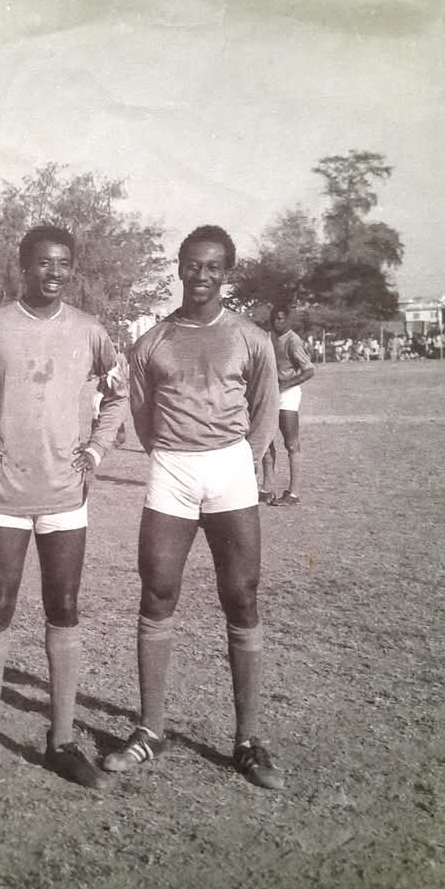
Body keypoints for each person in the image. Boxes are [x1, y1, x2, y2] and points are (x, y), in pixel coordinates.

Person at [0, 225, 128, 792]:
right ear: (24, 266)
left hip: (66, 495)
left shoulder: (91, 332)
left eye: (64, 263)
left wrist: (94, 448)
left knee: (64, 606)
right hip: (5, 494)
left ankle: (61, 742)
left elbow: (119, 392)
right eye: (43, 262)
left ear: (72, 268)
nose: (54, 272)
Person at [102, 224, 283, 790]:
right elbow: (140, 410)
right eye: (192, 265)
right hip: (172, 472)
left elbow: (266, 405)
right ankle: (152, 729)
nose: (201, 275)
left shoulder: (250, 337)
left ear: (226, 273)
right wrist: (172, 456)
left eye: (213, 267)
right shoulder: (153, 340)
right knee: (157, 591)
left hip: (230, 469)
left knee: (242, 594)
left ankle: (248, 738)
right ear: (179, 268)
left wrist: (241, 461)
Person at [259, 303, 315, 506]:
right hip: (270, 394)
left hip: (288, 394)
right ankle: (266, 489)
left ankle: (293, 493)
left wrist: (286, 384)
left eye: (281, 318)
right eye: (274, 318)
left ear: (289, 320)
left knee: (291, 443)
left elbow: (309, 370)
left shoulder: (293, 340)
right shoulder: (268, 337)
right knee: (266, 441)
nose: (277, 322)